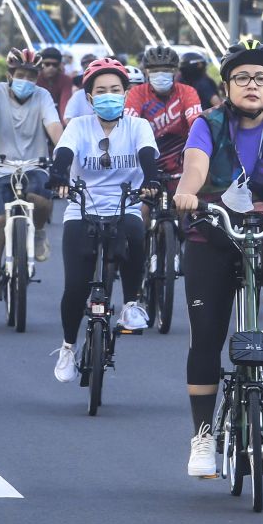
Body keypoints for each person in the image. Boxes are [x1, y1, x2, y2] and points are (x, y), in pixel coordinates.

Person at [173, 39, 263, 477]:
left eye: (261, 78)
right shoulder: (208, 124)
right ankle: (202, 436)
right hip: (211, 232)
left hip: (262, 226)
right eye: (242, 78)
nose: (252, 85)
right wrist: (187, 192)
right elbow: (195, 167)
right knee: (205, 337)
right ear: (227, 85)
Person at [48, 58, 159, 382]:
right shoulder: (79, 126)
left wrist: (151, 180)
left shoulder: (138, 126)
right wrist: (58, 175)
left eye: (115, 89)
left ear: (125, 93)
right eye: (101, 91)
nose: (108, 95)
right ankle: (68, 346)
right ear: (90, 96)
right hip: (82, 208)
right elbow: (64, 155)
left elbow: (147, 156)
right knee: (74, 288)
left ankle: (131, 304)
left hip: (124, 205)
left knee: (136, 234)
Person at [0, 48, 63, 301]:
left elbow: (54, 126)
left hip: (35, 164)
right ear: (10, 74)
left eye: (32, 76)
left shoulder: (42, 96)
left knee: (43, 201)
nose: (27, 81)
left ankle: (39, 231)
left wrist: (65, 153)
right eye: (21, 74)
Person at [124, 45, 202, 190]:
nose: (160, 75)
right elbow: (129, 125)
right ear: (147, 72)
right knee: (142, 210)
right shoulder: (137, 93)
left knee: (186, 207)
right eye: (154, 71)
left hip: (181, 163)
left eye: (165, 70)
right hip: (146, 162)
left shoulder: (187, 92)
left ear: (175, 72)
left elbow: (196, 122)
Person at [36, 46, 74, 117]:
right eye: (47, 64)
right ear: (41, 64)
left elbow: (65, 103)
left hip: (58, 119)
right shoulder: (35, 79)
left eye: (55, 65)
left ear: (59, 65)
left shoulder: (66, 80)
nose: (51, 67)